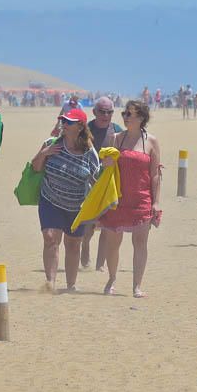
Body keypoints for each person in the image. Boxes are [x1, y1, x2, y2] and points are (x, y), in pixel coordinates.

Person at [31, 108, 100, 293]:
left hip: (76, 205)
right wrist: (44, 153)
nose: (64, 124)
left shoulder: (88, 151)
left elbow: (97, 178)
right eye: (63, 120)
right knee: (50, 238)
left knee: (73, 243)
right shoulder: (51, 143)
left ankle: (71, 285)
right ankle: (50, 282)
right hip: (50, 200)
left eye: (69, 122)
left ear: (80, 127)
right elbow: (36, 168)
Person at [100, 100, 161, 298]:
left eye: (130, 114)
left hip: (142, 199)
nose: (125, 117)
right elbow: (104, 168)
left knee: (140, 242)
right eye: (124, 114)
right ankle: (112, 279)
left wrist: (155, 202)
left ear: (141, 118)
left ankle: (137, 286)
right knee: (113, 243)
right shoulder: (116, 138)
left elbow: (155, 174)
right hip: (118, 198)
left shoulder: (151, 141)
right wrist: (106, 163)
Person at [81, 97, 124, 271]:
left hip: (108, 184)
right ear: (94, 112)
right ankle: (85, 248)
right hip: (87, 183)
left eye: (109, 112)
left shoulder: (117, 131)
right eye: (102, 111)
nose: (106, 115)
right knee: (88, 225)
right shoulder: (85, 130)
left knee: (107, 226)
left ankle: (100, 265)